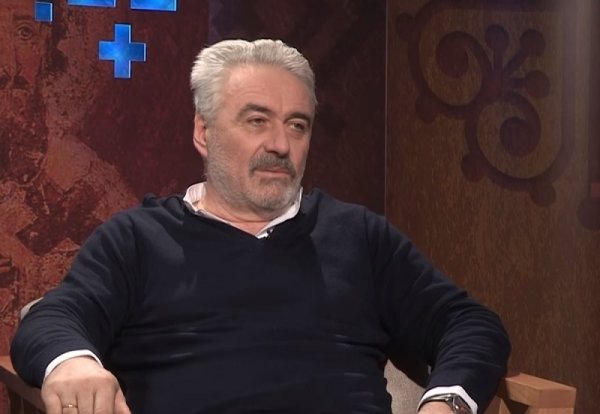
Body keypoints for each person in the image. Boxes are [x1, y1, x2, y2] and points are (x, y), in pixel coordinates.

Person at [11, 39, 510, 414]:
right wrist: (72, 363)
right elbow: (53, 318)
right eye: (257, 121)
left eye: (297, 125)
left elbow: (468, 322)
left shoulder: (358, 235)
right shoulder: (138, 239)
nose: (281, 144)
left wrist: (448, 402)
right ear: (203, 131)